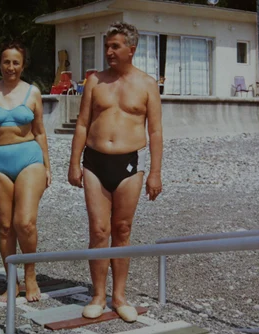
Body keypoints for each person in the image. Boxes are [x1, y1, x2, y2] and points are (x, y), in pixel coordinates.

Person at [68, 21, 163, 322]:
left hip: (128, 164)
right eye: (107, 46)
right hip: (95, 162)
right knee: (98, 231)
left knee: (122, 231)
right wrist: (73, 162)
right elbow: (82, 124)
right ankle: (98, 295)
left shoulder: (147, 84)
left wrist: (155, 173)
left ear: (131, 50)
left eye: (115, 46)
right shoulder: (95, 81)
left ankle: (119, 296)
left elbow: (156, 131)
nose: (108, 51)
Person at [0, 41, 51, 303]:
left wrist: (48, 166)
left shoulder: (33, 93)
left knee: (24, 222)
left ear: (23, 65)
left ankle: (30, 275)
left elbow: (39, 131)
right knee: (5, 227)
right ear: (0, 63)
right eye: (6, 62)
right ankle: (11, 280)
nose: (11, 67)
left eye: (16, 62)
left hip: (29, 159)